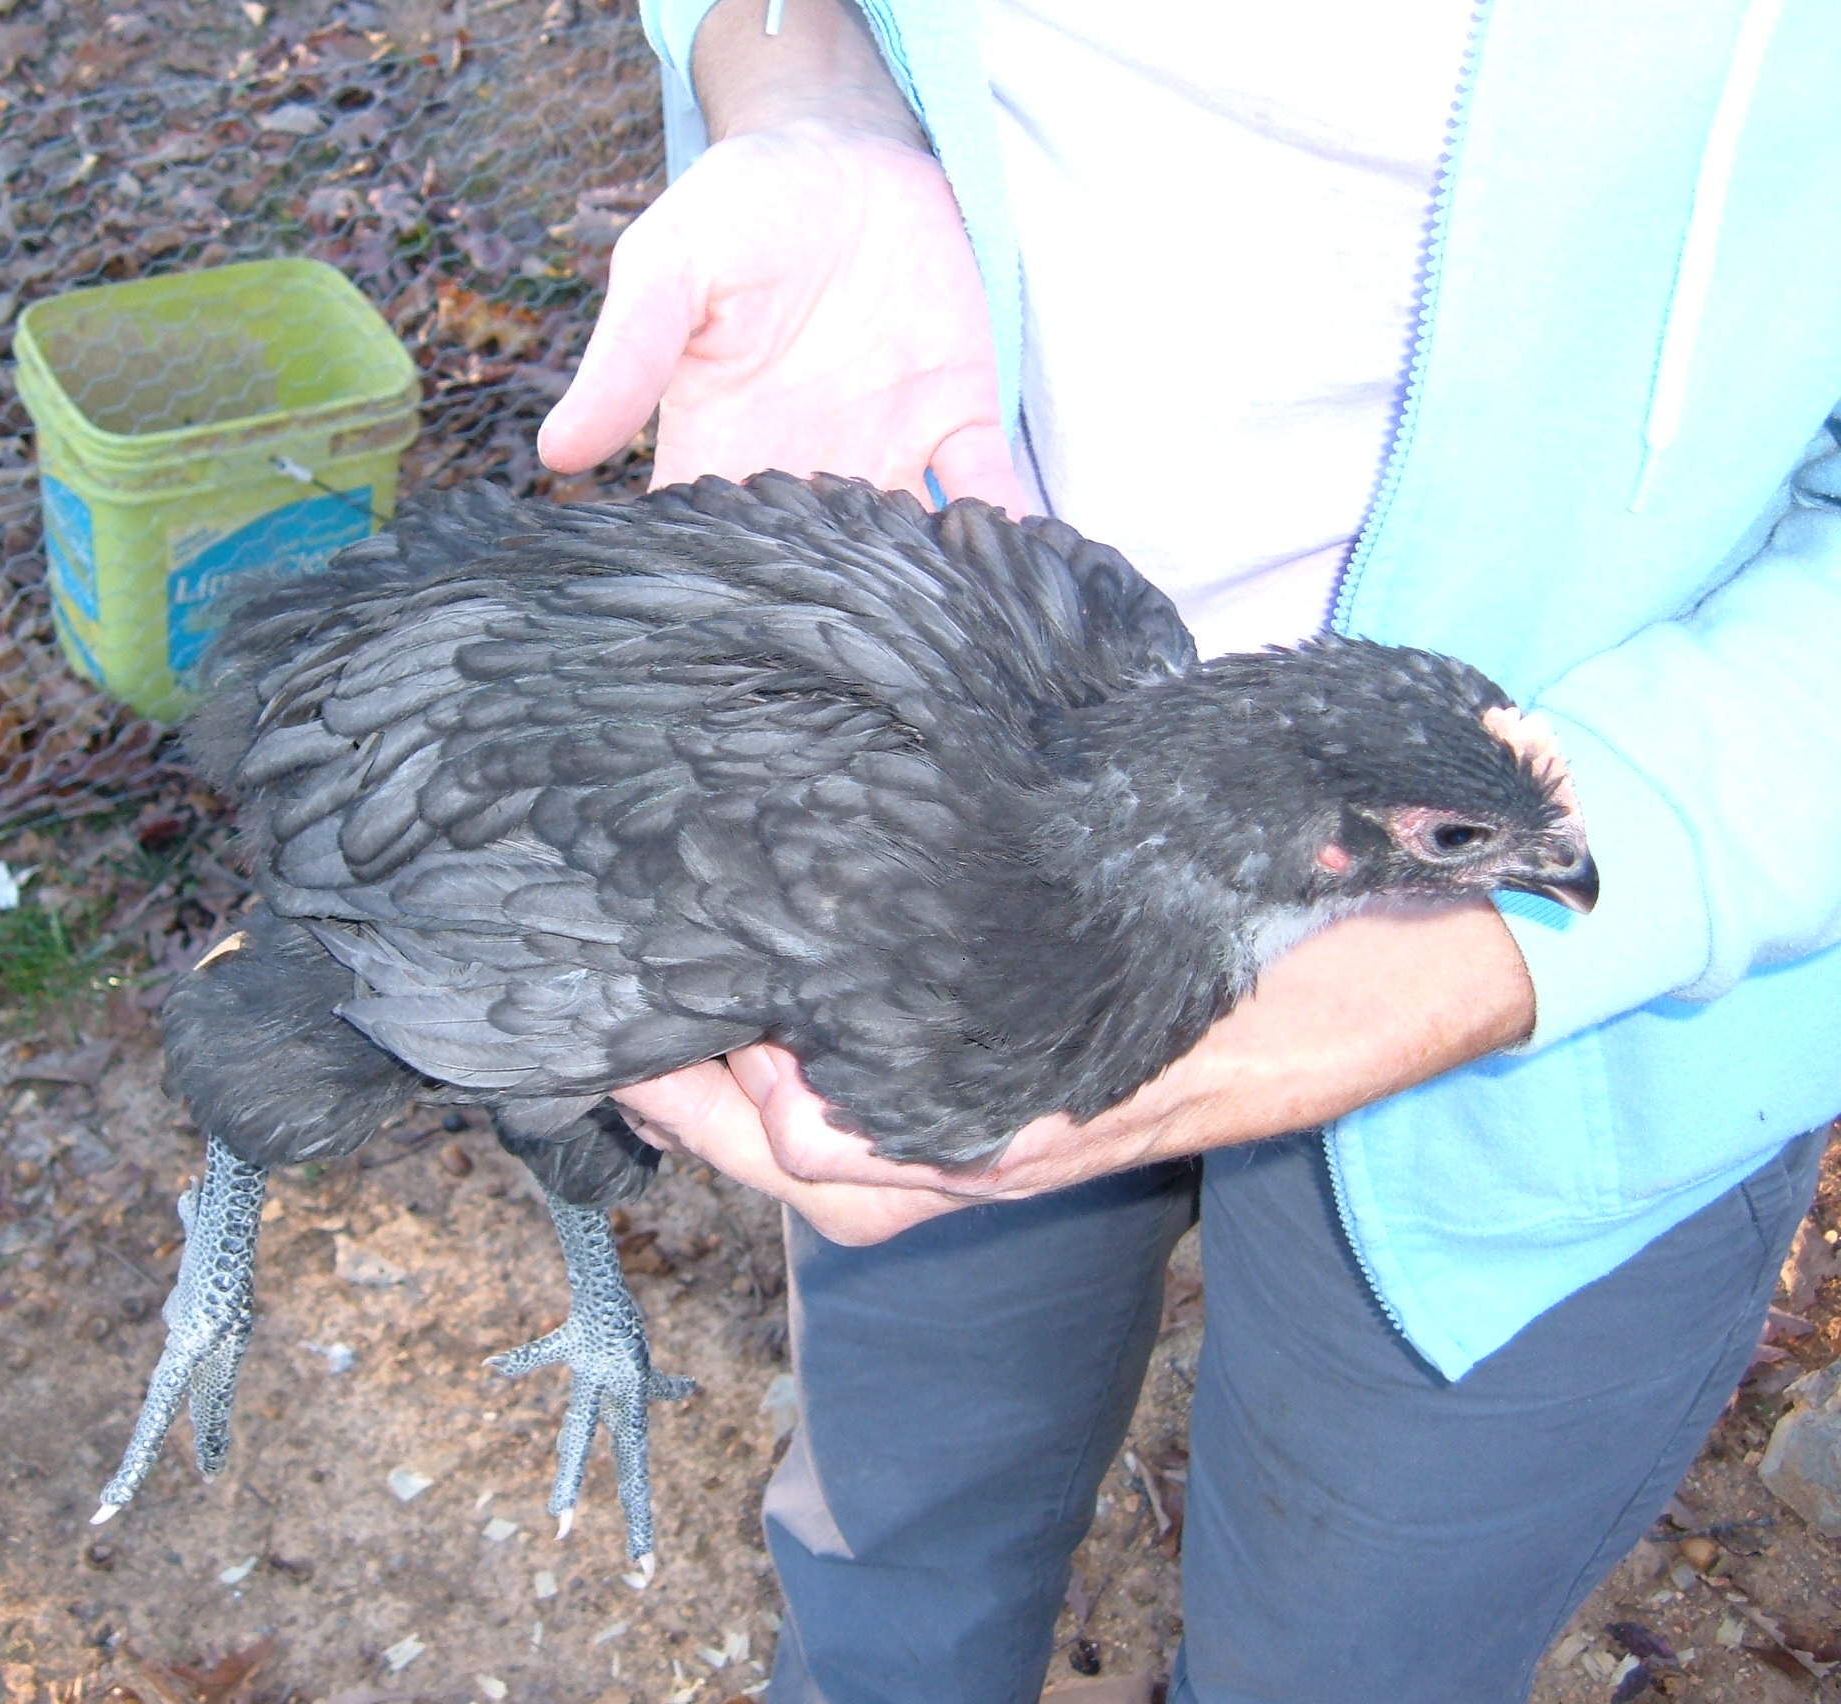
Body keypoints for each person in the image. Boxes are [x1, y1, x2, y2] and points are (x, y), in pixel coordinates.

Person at [531, 2, 1841, 1700]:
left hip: (1600, 1041)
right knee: (899, 1534)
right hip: (974, 852)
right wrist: (802, 78)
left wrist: (1613, 867)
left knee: (1351, 1652)